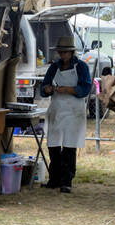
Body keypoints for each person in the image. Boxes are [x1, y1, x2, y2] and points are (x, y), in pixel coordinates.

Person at [39, 35, 91, 192]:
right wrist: (47, 89)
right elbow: (43, 88)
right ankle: (54, 178)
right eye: (60, 52)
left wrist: (68, 89)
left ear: (71, 53)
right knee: (53, 145)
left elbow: (85, 88)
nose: (62, 55)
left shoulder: (81, 67)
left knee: (69, 146)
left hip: (73, 111)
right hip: (57, 110)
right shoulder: (54, 67)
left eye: (65, 52)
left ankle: (66, 181)